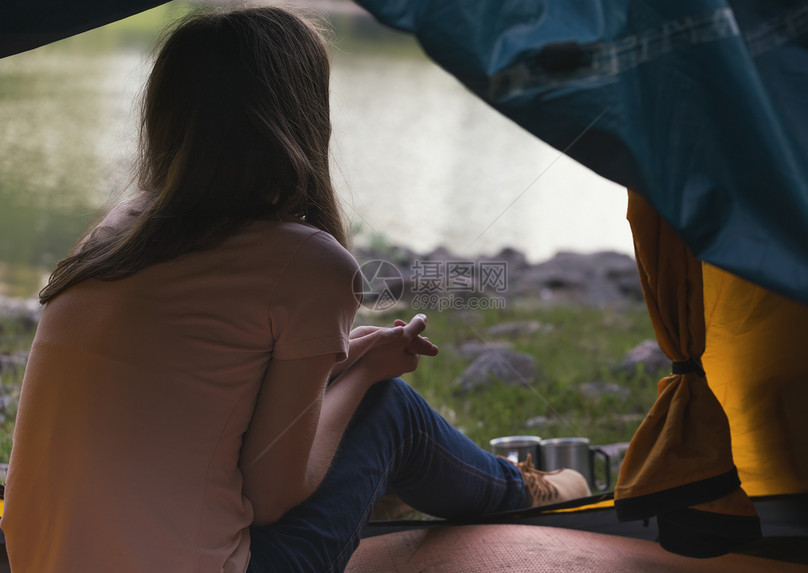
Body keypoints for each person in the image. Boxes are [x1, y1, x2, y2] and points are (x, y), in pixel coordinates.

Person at [1, 7, 589, 572]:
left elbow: (204, 393)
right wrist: (363, 375)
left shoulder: (116, 231)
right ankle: (525, 492)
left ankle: (502, 481)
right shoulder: (306, 261)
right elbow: (272, 496)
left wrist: (347, 355)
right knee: (390, 409)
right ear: (304, 117)